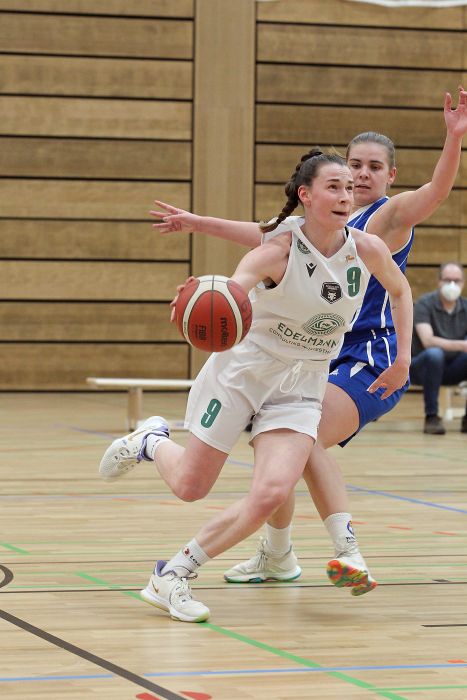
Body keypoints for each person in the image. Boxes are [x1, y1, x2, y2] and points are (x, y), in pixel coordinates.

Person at [150, 87, 467, 589]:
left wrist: (454, 139)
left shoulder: (383, 219)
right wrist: (197, 225)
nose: (361, 175)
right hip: (313, 355)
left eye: (374, 167)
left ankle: (347, 550)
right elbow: (262, 234)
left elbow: (436, 193)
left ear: (391, 176)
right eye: (354, 165)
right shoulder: (315, 222)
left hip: (369, 353)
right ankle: (277, 554)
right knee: (276, 452)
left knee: (304, 439)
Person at [99, 151, 413, 622]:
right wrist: (207, 300)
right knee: (190, 487)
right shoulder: (277, 250)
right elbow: (235, 286)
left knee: (269, 493)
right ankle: (150, 441)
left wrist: (403, 357)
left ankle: (173, 573)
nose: (345, 196)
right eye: (334, 187)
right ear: (306, 196)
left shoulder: (366, 249)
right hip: (243, 375)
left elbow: (401, 291)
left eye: (349, 188)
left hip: (302, 386)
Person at [410, 262, 467, 435]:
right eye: (447, 280)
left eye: (457, 280)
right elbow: (428, 341)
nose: (452, 284)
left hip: (453, 369)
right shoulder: (424, 303)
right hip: (422, 367)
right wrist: (462, 345)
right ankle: (432, 417)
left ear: (463, 283)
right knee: (434, 354)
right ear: (439, 281)